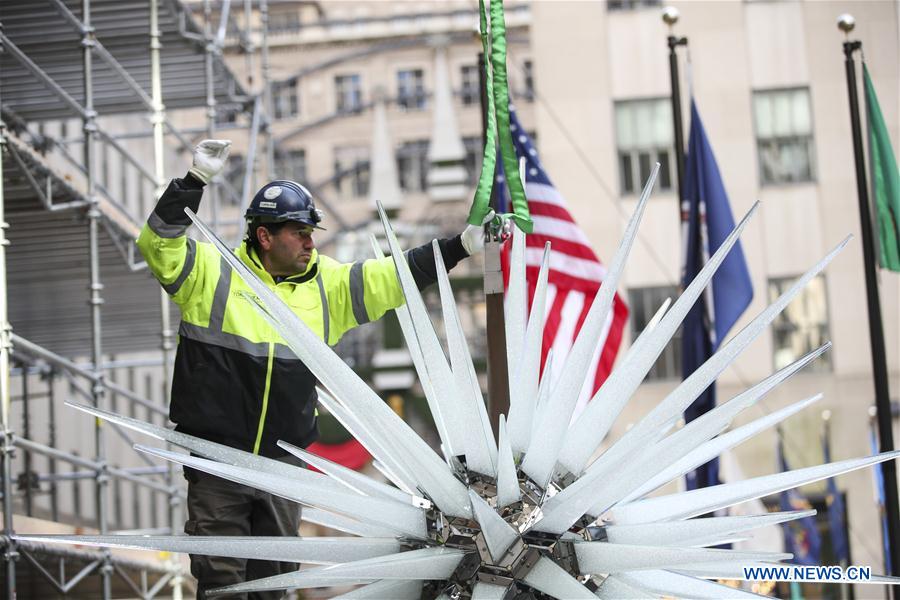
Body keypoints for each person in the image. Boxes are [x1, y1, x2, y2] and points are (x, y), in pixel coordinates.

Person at [137, 140, 487, 598]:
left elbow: (393, 277)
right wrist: (194, 181)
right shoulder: (211, 272)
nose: (310, 242)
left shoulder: (329, 287)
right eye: (299, 232)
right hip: (217, 459)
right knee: (221, 580)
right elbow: (157, 245)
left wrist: (458, 246)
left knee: (277, 581)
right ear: (265, 236)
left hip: (283, 463)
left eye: (311, 233)